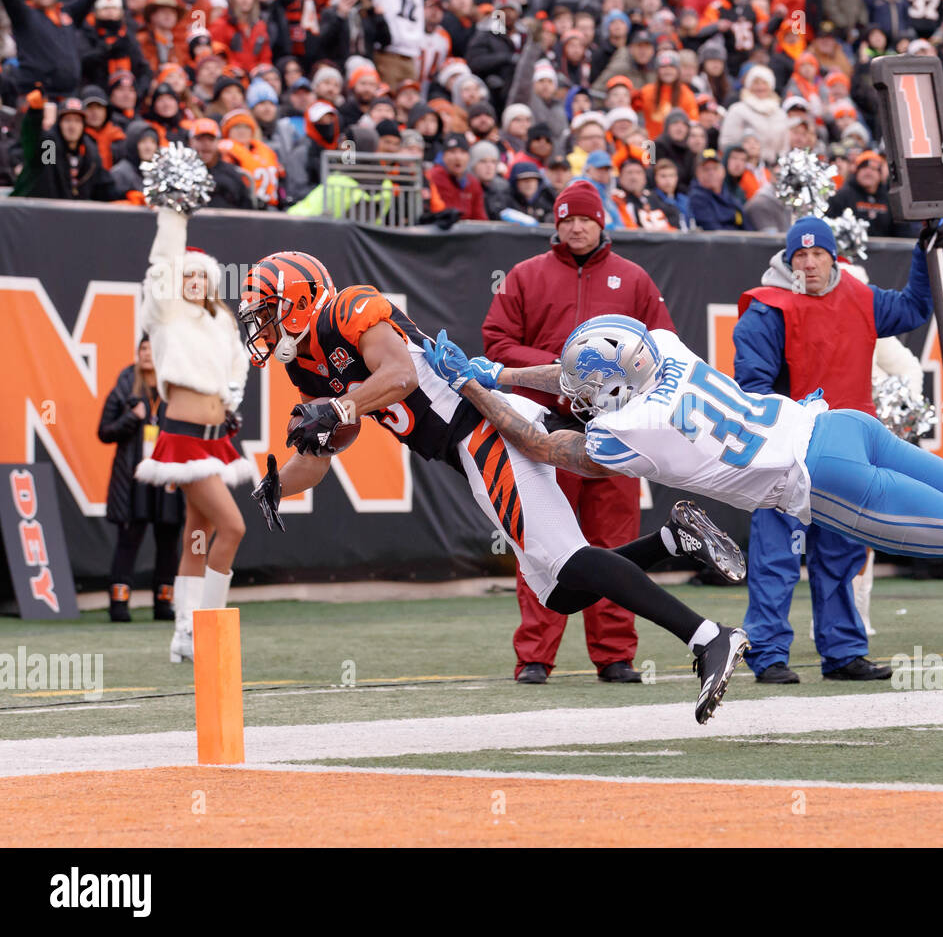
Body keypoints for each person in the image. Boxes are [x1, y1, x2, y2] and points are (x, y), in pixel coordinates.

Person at [433, 303, 943, 630]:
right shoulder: (661, 350)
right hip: (834, 423)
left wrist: (474, 382)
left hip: (820, 479)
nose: (576, 395)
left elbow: (540, 443)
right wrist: (505, 373)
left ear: (612, 383)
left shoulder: (630, 431)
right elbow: (577, 379)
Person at [239, 252, 749, 725]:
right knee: (561, 592)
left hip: (482, 426)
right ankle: (672, 539)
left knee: (568, 560)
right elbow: (334, 440)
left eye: (266, 311)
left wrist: (340, 408)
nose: (260, 325)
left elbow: (397, 376)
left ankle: (708, 637)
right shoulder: (303, 362)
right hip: (464, 448)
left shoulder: (348, 307)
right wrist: (280, 482)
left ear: (301, 300)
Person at [480, 180, 680, 685]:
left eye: (585, 218)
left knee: (613, 542)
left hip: (616, 429)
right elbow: (496, 343)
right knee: (541, 544)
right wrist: (558, 369)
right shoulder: (525, 277)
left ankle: (615, 655)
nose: (575, 225)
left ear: (601, 222)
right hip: (543, 428)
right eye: (567, 218)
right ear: (556, 223)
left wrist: (620, 380)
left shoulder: (632, 278)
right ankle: (534, 656)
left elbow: (666, 347)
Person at [731, 216, 935, 685]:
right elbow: (753, 390)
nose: (808, 263)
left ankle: (843, 651)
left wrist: (924, 253)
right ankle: (767, 653)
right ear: (787, 261)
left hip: (847, 455)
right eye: (799, 255)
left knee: (842, 557)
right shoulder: (768, 309)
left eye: (817, 253)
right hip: (785, 456)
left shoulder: (860, 297)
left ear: (833, 257)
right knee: (776, 557)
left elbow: (914, 308)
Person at [133, 204, 253, 662]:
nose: (194, 282)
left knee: (197, 534)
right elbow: (162, 265)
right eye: (189, 276)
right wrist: (174, 213)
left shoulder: (221, 321)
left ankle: (184, 631)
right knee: (233, 526)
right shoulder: (167, 315)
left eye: (202, 276)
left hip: (215, 436)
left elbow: (238, 366)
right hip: (183, 436)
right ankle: (208, 623)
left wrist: (232, 399)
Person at [97, 337, 185, 623]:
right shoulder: (124, 388)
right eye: (143, 349)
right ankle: (119, 604)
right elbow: (104, 432)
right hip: (132, 478)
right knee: (129, 539)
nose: (148, 354)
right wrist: (131, 418)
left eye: (153, 349)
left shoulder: (173, 390)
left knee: (168, 541)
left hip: (166, 477)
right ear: (137, 354)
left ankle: (163, 603)